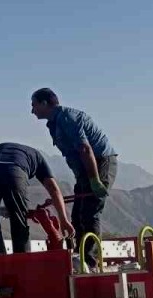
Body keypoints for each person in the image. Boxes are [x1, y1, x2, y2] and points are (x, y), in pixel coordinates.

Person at [30, 88, 118, 268]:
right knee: (77, 216)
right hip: (86, 169)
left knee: (90, 213)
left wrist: (94, 180)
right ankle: (81, 256)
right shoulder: (54, 124)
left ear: (45, 103)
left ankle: (90, 263)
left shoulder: (67, 118)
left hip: (100, 162)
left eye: (34, 105)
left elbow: (85, 149)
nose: (32, 111)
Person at [0, 142, 74, 256]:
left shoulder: (4, 147)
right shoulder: (38, 158)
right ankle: (21, 263)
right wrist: (63, 219)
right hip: (13, 171)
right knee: (18, 220)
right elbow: (53, 189)